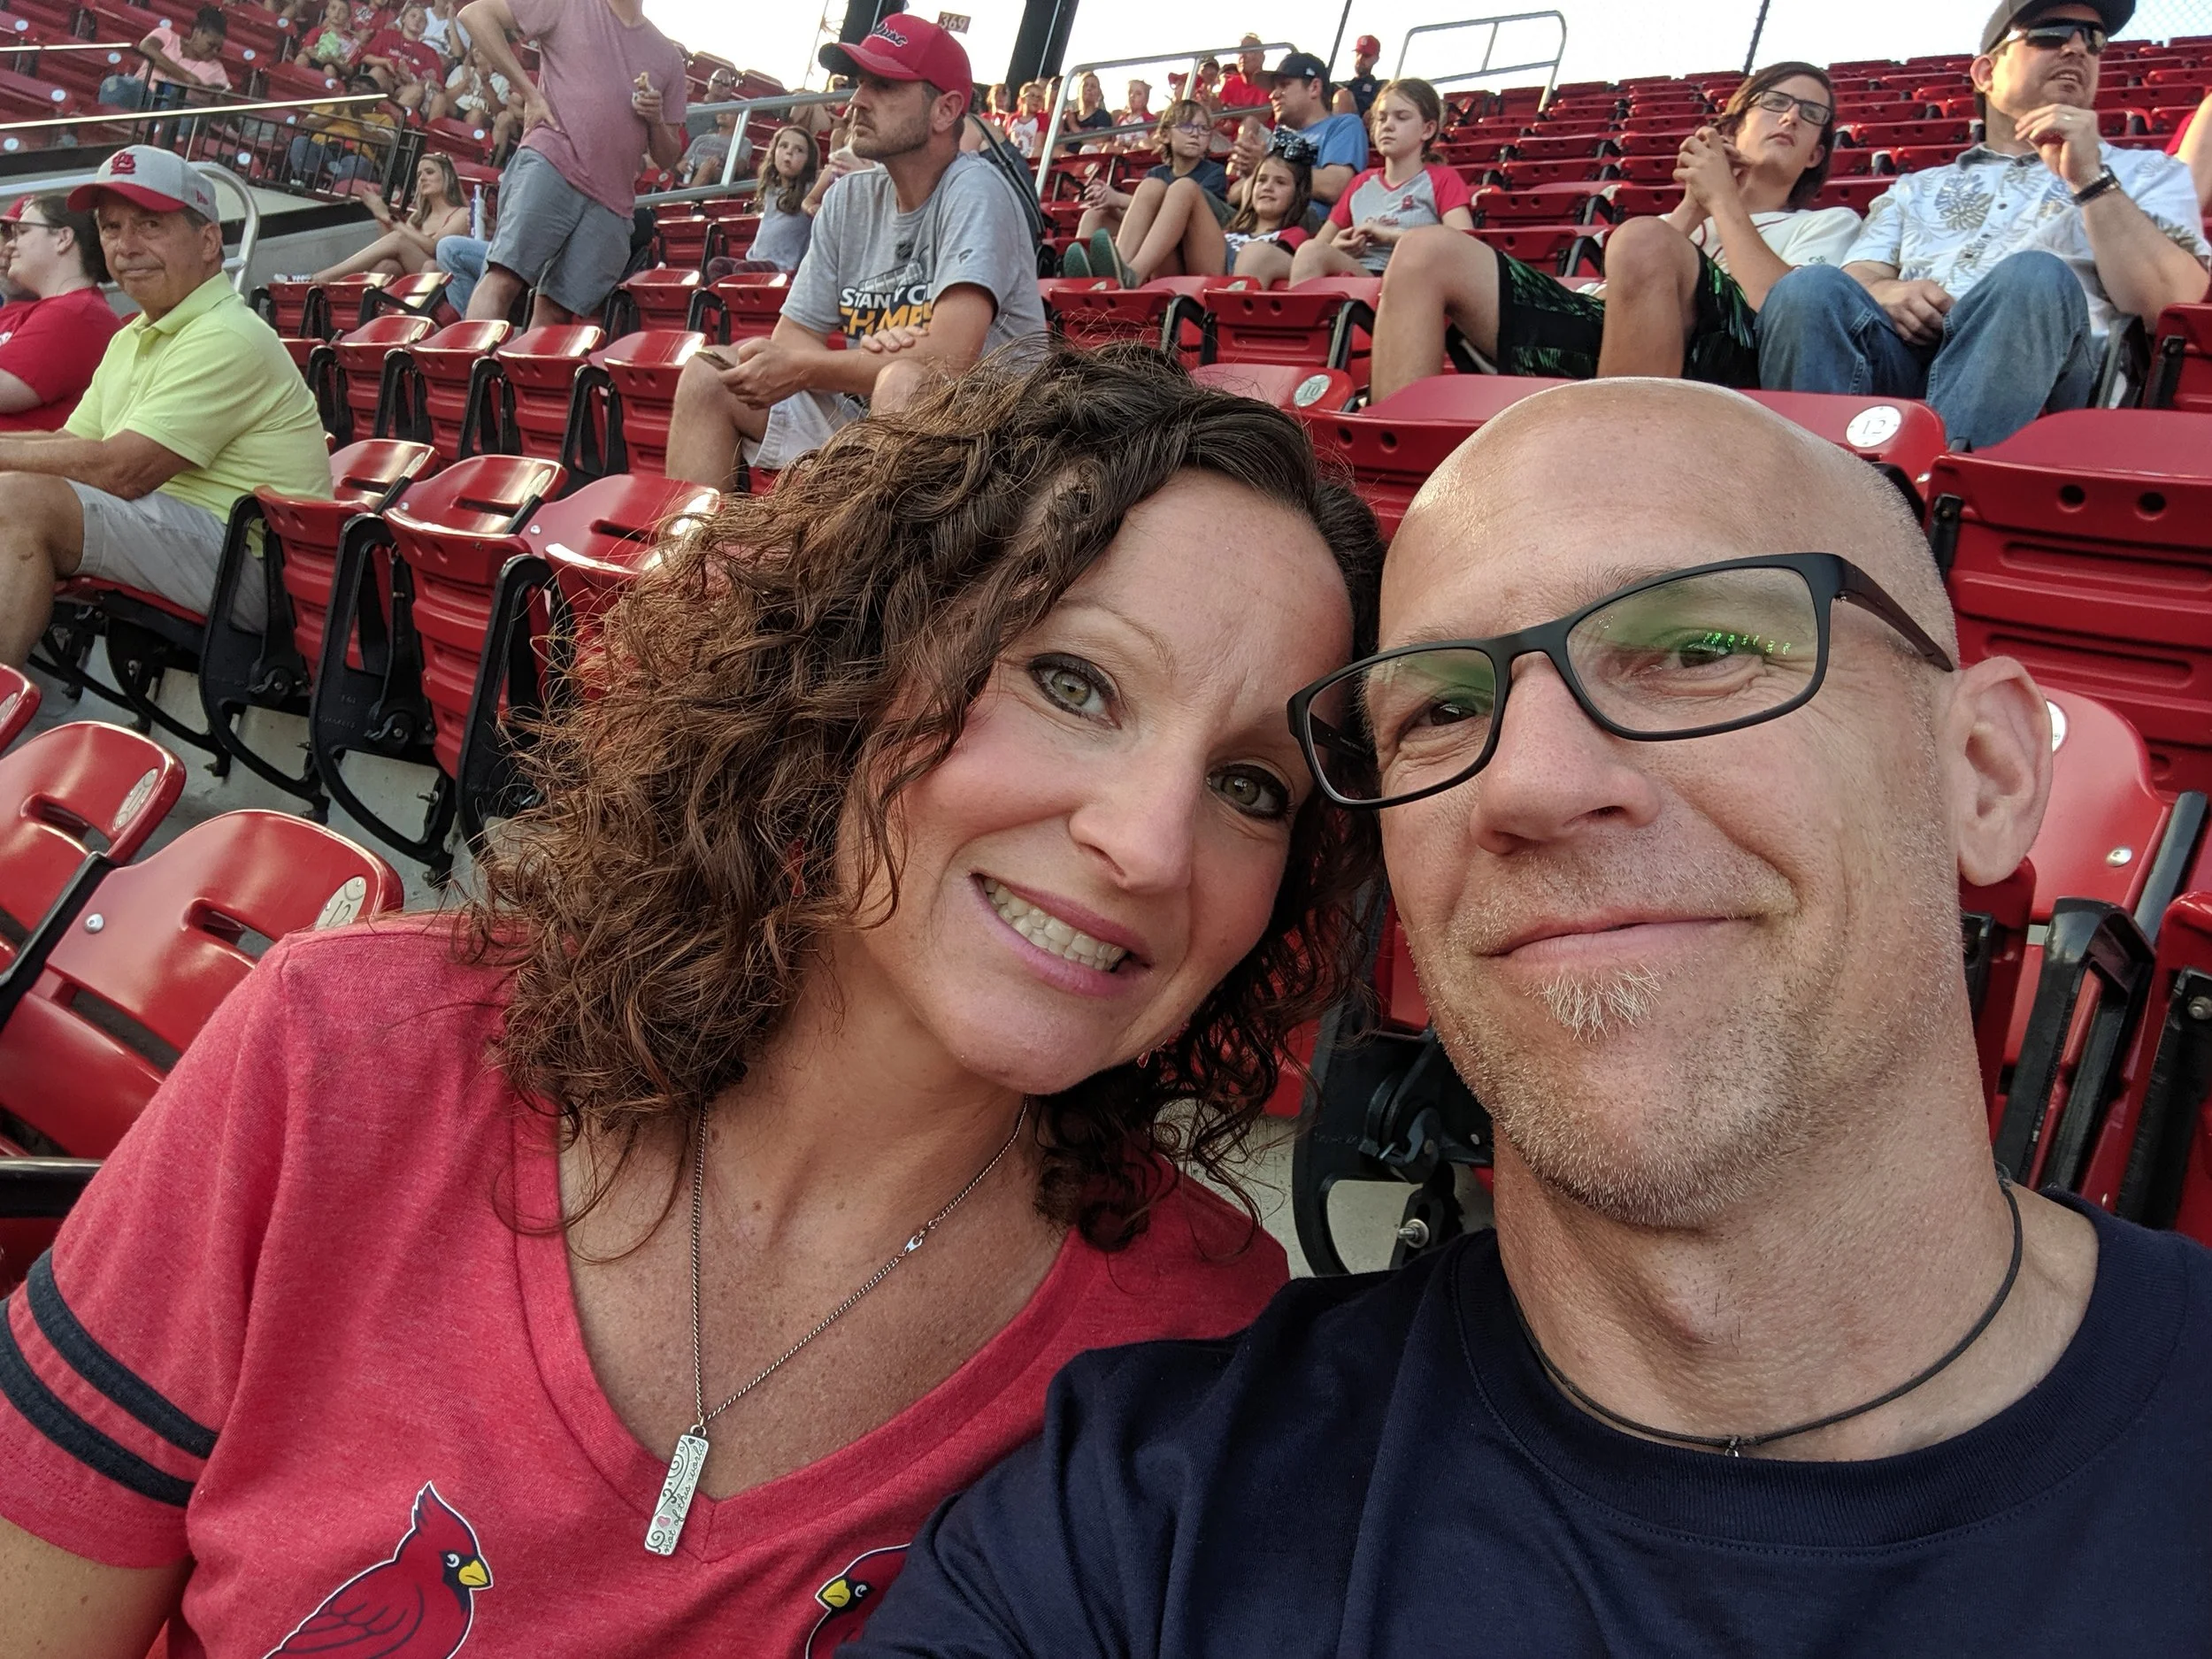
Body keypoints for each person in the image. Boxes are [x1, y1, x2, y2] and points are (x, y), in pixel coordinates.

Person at [0, 344, 1389, 1656]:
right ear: (847, 673)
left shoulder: (1201, 1346)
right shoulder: (342, 1057)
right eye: (1073, 680)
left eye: (1251, 784)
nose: (1151, 844)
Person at [849, 373, 2212, 1657]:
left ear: (1981, 772)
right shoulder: (1134, 1521)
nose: (1533, 784)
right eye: (1443, 706)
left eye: (1698, 644)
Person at [1759, 0, 2209, 449]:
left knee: (2033, 276)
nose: (2077, 48)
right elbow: (1861, 275)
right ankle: (1811, 486)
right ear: (1986, 73)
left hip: (2045, 385)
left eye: (2093, 40)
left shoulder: (2145, 173)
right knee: (1808, 289)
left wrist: (2089, 179)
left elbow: (2171, 300)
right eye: (2050, 33)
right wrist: (1887, 293)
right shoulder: (1917, 187)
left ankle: (1943, 492)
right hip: (1904, 361)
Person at [664, 13, 1045, 489]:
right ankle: (688, 562)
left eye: (883, 86)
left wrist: (810, 368)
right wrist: (816, 363)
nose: (856, 102)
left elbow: (946, 360)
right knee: (708, 376)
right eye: (860, 83)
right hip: (872, 418)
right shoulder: (847, 199)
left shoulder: (976, 190)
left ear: (945, 111)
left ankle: (869, 562)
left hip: (993, 447)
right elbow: (793, 339)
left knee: (904, 383)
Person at [0, 148, 327, 668]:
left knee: (20, 500)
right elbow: (69, 444)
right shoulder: (135, 333)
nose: (126, 246)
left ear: (208, 240)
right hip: (189, 538)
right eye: (110, 228)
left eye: (149, 225)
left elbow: (123, 471)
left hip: (256, 569)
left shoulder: (228, 334)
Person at [1368, 62, 1857, 400]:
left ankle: (1615, 474)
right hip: (1613, 344)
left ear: (1815, 153)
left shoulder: (1830, 223)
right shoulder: (1681, 225)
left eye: (1810, 114)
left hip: (1724, 371)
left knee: (1643, 239)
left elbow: (1786, 312)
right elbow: (1611, 299)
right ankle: (1387, 480)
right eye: (1775, 103)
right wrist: (1693, 206)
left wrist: (1724, 202)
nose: (1791, 116)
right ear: (1733, 127)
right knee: (1424, 251)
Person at [457, 0, 688, 327]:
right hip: (552, 160)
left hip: (612, 200)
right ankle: (470, 373)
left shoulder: (667, 56)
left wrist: (656, 119)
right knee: (504, 278)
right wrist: (530, 93)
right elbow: (474, 15)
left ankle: (522, 378)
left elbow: (669, 156)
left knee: (556, 309)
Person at [1290, 78, 1473, 281]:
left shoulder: (1443, 179)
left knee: (1312, 253)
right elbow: (1322, 244)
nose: (1388, 126)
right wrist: (1338, 248)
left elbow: (1464, 246)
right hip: (1358, 282)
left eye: (1401, 117)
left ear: (1427, 129)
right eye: (1381, 118)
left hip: (1413, 285)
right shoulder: (1360, 183)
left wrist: (1389, 235)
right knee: (1264, 253)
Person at [1069, 132, 1309, 288]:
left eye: (1280, 183)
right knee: (1150, 187)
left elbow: (1289, 266)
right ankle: (1106, 279)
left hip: (1224, 282)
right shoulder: (1235, 226)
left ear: (1297, 194)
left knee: (1185, 188)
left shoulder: (1294, 234)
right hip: (1186, 274)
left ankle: (1130, 277)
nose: (1268, 188)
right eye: (1262, 180)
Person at [1064, 98, 1228, 273]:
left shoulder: (1215, 173)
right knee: (1095, 214)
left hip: (1193, 252)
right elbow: (1144, 217)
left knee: (1171, 189)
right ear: (1165, 135)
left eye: (1203, 128)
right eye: (1187, 126)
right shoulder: (1156, 174)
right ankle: (1085, 284)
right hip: (1162, 249)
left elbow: (1181, 215)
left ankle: (1121, 272)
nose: (1196, 134)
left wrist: (1119, 199)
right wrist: (1108, 203)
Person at [0, 195, 119, 434]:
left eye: (22, 232)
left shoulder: (77, 313)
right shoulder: (55, 310)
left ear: (63, 238)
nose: (10, 245)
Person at [310, 150, 471, 280]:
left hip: (444, 278)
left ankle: (324, 277)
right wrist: (379, 215)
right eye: (419, 175)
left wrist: (390, 219)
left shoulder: (463, 213)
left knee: (399, 239)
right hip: (415, 272)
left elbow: (434, 247)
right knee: (386, 266)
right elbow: (390, 247)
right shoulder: (418, 217)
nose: (422, 178)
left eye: (429, 172)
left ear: (447, 177)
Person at [1259, 51, 1369, 217]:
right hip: (1255, 226)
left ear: (1314, 87)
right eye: (1274, 88)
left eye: (1284, 85)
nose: (1273, 95)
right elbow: (1233, 193)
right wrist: (1256, 170)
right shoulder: (1278, 134)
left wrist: (1267, 173)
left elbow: (1335, 186)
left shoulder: (1344, 126)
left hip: (1305, 228)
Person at [98, 5, 229, 111]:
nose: (215, 52)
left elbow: (223, 101)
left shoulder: (217, 70)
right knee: (114, 84)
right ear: (197, 32)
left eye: (219, 48)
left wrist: (210, 95)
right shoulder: (167, 35)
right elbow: (146, 47)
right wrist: (186, 77)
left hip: (173, 107)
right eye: (211, 45)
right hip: (142, 91)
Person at [745, 122, 820, 272]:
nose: (789, 153)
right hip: (756, 260)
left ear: (808, 161)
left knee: (742, 271)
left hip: (782, 268)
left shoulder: (809, 191)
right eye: (783, 146)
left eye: (799, 150)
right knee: (717, 265)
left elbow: (830, 173)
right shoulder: (771, 190)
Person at [359, 0, 446, 110]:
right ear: (403, 19)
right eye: (413, 16)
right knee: (377, 72)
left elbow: (438, 85)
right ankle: (361, 111)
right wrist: (385, 62)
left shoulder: (430, 52)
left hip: (407, 89)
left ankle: (389, 120)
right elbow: (365, 57)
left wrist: (413, 80)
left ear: (425, 28)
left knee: (417, 90)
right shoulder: (388, 35)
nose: (417, 20)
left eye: (422, 19)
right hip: (385, 81)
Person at [680, 106, 750, 187]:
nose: (722, 114)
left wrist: (722, 161)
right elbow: (685, 159)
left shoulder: (743, 141)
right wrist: (682, 164)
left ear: (739, 118)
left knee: (707, 166)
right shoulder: (701, 138)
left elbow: (740, 168)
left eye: (729, 112)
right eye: (721, 111)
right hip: (691, 172)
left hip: (719, 175)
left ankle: (689, 195)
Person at [301, 0, 365, 69]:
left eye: (342, 11)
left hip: (335, 69)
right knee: (301, 58)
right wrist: (317, 55)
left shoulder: (351, 43)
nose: (337, 13)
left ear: (348, 18)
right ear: (327, 11)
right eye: (333, 8)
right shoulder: (316, 31)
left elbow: (350, 70)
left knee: (329, 68)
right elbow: (306, 49)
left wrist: (333, 61)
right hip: (313, 61)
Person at [1218, 35, 1265, 113]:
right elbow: (1219, 109)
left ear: (1261, 57)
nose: (1242, 56)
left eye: (1249, 51)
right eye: (1240, 51)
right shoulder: (1230, 83)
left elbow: (1261, 116)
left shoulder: (1268, 83)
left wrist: (1230, 111)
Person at [1339, 34, 1383, 116]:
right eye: (1358, 53)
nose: (1360, 58)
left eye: (1366, 55)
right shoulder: (1338, 86)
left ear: (1376, 59)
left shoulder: (1380, 89)